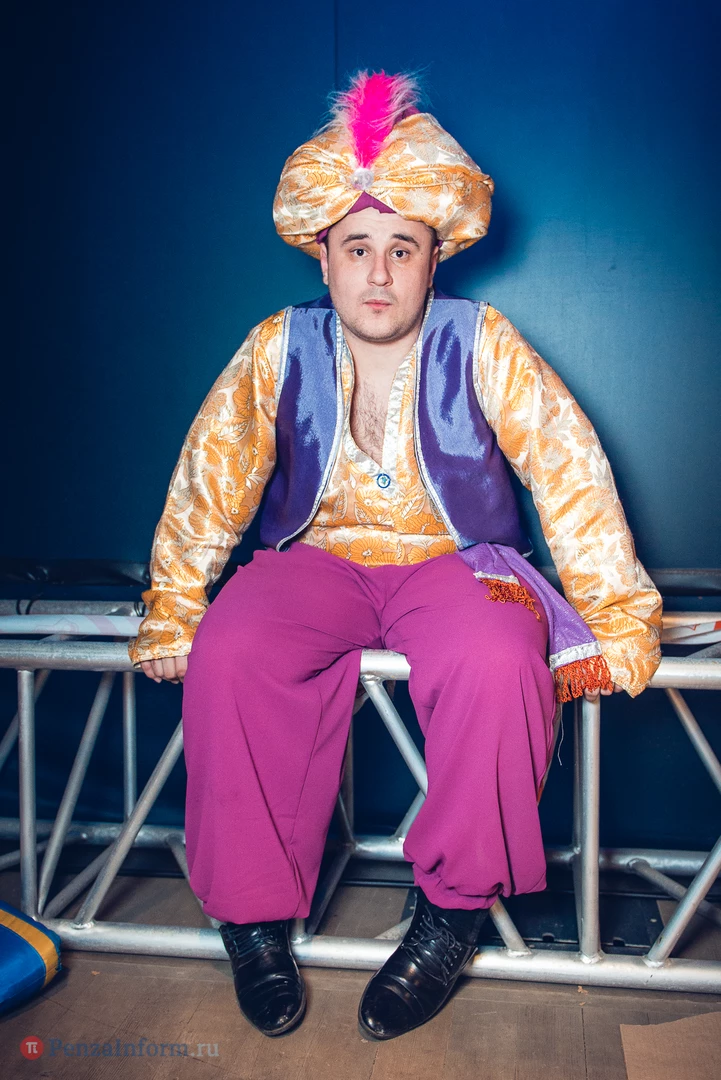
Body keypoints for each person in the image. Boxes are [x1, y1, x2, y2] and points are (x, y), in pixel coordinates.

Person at [128, 72, 662, 1041]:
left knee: (499, 656)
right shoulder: (276, 346)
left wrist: (617, 613)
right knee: (232, 649)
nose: (378, 274)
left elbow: (567, 466)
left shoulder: (483, 340)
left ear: (433, 259)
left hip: (457, 560)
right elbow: (211, 472)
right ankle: (250, 917)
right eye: (358, 249)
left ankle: (450, 916)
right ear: (323, 257)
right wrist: (175, 605)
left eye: (400, 250)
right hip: (314, 558)